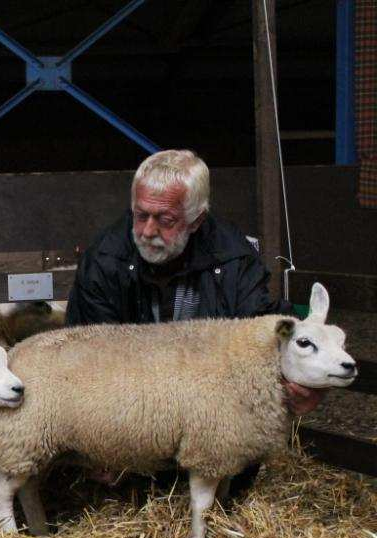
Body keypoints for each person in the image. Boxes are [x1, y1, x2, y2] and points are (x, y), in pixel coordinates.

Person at [65, 149, 323, 493]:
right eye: (140, 215)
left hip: (207, 411)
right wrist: (100, 437)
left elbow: (267, 329)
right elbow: (88, 350)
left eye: (165, 220)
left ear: (197, 220)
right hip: (130, 408)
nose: (147, 231)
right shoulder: (105, 259)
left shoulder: (233, 259)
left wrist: (304, 383)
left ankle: (216, 485)